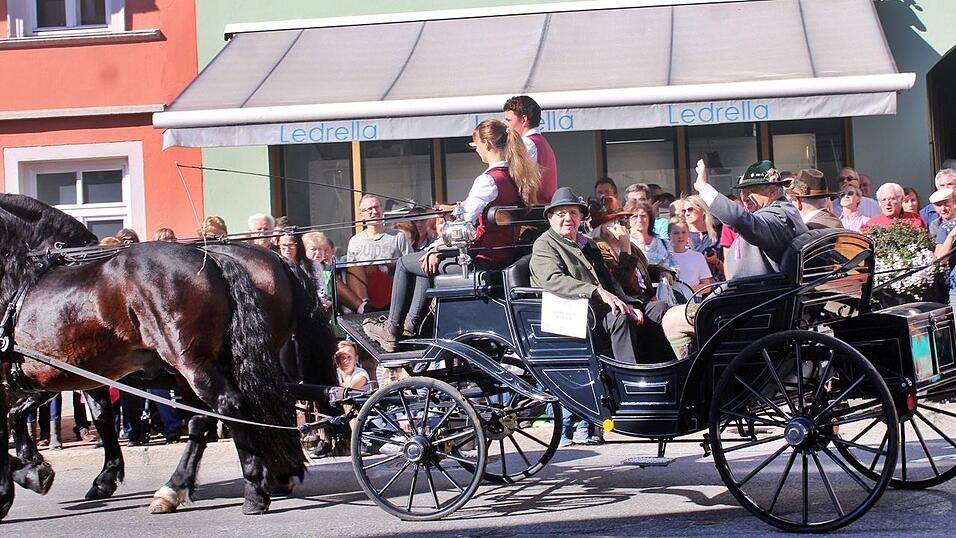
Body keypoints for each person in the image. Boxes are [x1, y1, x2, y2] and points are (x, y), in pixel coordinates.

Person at [363, 119, 540, 352]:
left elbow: (462, 226)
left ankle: (392, 329)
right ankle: (410, 325)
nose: (476, 150)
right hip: (500, 258)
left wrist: (437, 248)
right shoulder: (513, 178)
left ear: (487, 144)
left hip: (480, 261)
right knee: (424, 262)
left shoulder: (488, 180)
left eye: (476, 145)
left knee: (405, 263)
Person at [662, 159, 808, 338]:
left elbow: (741, 221)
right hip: (753, 300)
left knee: (671, 319)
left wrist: (704, 188)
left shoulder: (778, 216)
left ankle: (697, 358)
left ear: (771, 191)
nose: (744, 197)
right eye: (742, 191)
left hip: (753, 306)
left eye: (751, 191)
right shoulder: (782, 213)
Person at [530, 187, 673, 365]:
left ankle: (663, 368)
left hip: (600, 307)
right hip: (574, 311)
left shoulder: (587, 243)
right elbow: (552, 280)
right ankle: (629, 374)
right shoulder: (544, 244)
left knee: (657, 309)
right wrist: (597, 291)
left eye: (573, 213)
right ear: (550, 218)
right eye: (561, 214)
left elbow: (609, 279)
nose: (568, 218)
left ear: (580, 217)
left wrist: (627, 302)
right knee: (620, 318)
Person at [339, 194, 412, 314]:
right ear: (362, 215)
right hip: (364, 292)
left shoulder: (398, 236)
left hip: (391, 289)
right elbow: (352, 273)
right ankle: (365, 307)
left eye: (377, 207)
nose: (374, 212)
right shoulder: (355, 241)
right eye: (369, 209)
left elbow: (409, 263)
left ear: (382, 209)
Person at [589, 197, 655, 306]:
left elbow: (645, 270)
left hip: (645, 297)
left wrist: (662, 271)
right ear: (605, 227)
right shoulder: (599, 249)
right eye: (621, 220)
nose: (627, 225)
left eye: (626, 219)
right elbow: (623, 282)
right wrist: (625, 249)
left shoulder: (630, 245)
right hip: (629, 302)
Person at [503, 95, 557, 203]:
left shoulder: (526, 143)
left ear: (524, 120)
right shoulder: (542, 142)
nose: (506, 125)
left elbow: (514, 181)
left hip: (533, 208)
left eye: (508, 120)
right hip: (545, 206)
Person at [667, 218, 714, 294]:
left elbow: (707, 286)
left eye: (683, 232)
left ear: (688, 234)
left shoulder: (698, 257)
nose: (680, 236)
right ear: (669, 235)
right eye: (676, 233)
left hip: (692, 298)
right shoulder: (665, 257)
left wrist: (689, 291)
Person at [682, 195, 723, 279]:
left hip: (717, 284)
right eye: (684, 211)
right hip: (694, 284)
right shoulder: (683, 237)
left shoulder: (717, 235)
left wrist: (716, 261)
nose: (687, 214)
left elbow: (728, 270)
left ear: (703, 211)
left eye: (690, 209)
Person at [627, 201, 672, 266]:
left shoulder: (663, 243)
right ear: (628, 221)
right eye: (635, 216)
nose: (640, 220)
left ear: (649, 218)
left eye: (643, 216)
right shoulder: (626, 244)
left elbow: (674, 265)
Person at [302, 231, 335, 311]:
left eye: (320, 249)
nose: (318, 252)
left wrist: (328, 301)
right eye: (313, 249)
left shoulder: (318, 266)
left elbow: (322, 289)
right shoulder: (301, 267)